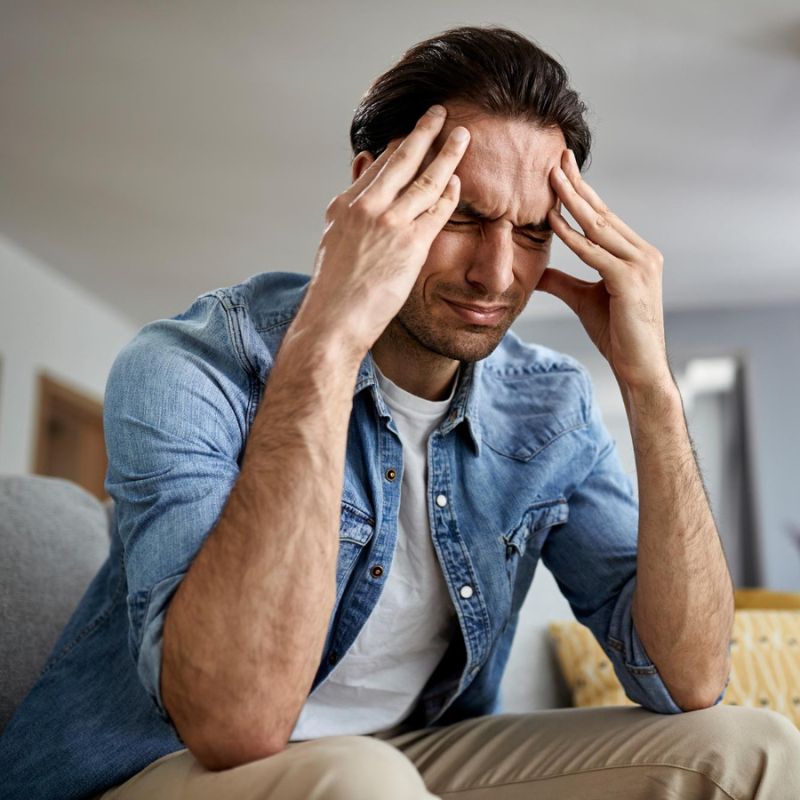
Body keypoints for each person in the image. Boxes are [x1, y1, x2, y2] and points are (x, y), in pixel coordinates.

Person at [1, 25, 799, 800]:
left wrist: (651, 388)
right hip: (159, 763)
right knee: (359, 779)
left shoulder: (550, 406)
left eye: (530, 232)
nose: (496, 274)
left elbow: (688, 680)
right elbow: (233, 724)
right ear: (367, 192)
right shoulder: (190, 364)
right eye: (461, 217)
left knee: (751, 748)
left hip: (409, 754)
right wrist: (328, 341)